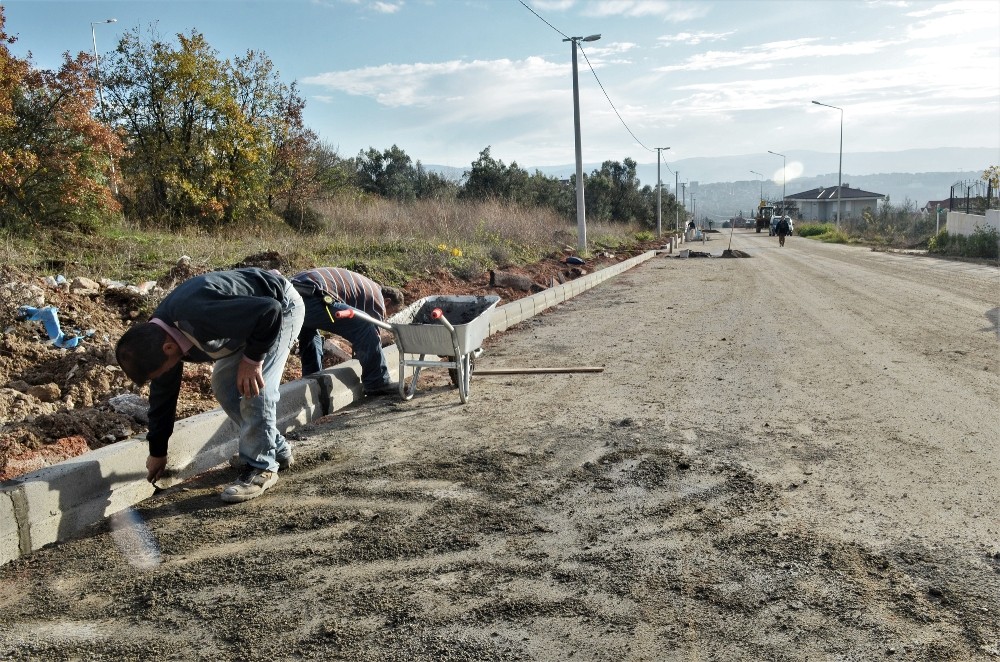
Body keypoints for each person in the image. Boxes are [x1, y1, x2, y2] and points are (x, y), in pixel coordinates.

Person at [115, 267, 304, 503]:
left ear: (169, 349)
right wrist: (158, 451)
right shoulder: (158, 339)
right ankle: (275, 449)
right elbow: (163, 396)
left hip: (280, 309)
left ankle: (261, 467)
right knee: (225, 385)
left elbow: (269, 310)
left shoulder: (196, 314)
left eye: (160, 372)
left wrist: (253, 360)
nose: (163, 375)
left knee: (255, 387)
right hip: (249, 321)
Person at [289, 267, 398, 397]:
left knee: (309, 333)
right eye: (392, 312)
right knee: (365, 324)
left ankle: (312, 376)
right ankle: (378, 382)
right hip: (312, 295)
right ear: (387, 301)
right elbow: (372, 332)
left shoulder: (366, 287)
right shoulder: (377, 299)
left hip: (291, 294)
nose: (387, 316)